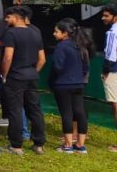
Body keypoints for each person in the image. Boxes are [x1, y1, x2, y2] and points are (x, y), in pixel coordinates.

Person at [0, 6, 45, 155]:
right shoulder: (35, 33)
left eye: (8, 17)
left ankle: (16, 145)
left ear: (16, 17)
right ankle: (39, 144)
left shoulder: (11, 33)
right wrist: (33, 71)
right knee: (35, 110)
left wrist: (4, 75)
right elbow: (42, 59)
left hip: (15, 76)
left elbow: (8, 57)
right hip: (32, 75)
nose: (6, 20)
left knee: (15, 110)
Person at [51, 18, 91, 154]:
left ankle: (68, 145)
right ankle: (80, 145)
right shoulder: (80, 45)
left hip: (63, 84)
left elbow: (57, 66)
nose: (54, 34)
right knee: (80, 113)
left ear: (65, 33)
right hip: (78, 84)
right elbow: (86, 66)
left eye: (56, 31)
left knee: (67, 113)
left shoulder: (61, 46)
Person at [102, 3, 117, 153]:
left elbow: (110, 55)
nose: (103, 18)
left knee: (116, 105)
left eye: (106, 15)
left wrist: (106, 71)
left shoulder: (112, 32)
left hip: (114, 71)